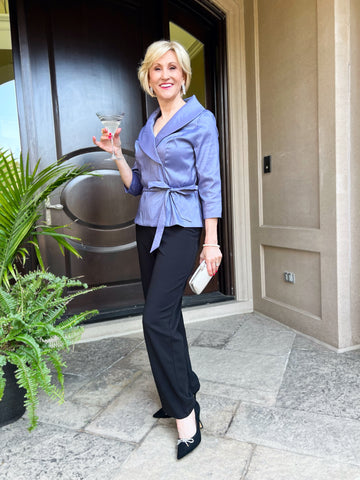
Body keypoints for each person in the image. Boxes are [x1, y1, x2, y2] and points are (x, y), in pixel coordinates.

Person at [93, 40, 222, 460]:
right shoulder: (147, 129)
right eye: (156, 69)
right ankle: (182, 387)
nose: (164, 75)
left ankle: (185, 414)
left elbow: (210, 185)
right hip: (148, 227)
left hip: (184, 227)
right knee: (167, 317)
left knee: (154, 320)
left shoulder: (201, 121)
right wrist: (117, 155)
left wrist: (211, 241)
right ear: (148, 79)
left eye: (172, 68)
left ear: (183, 76)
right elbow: (137, 187)